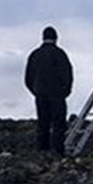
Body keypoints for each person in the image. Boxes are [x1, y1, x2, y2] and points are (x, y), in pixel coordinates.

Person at [24, 26, 74, 154]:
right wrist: (65, 91)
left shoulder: (34, 55)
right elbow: (67, 74)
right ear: (56, 38)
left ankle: (42, 151)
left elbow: (28, 78)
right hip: (57, 95)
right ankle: (58, 151)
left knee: (43, 123)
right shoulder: (60, 54)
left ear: (43, 37)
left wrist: (36, 91)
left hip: (40, 94)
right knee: (58, 124)